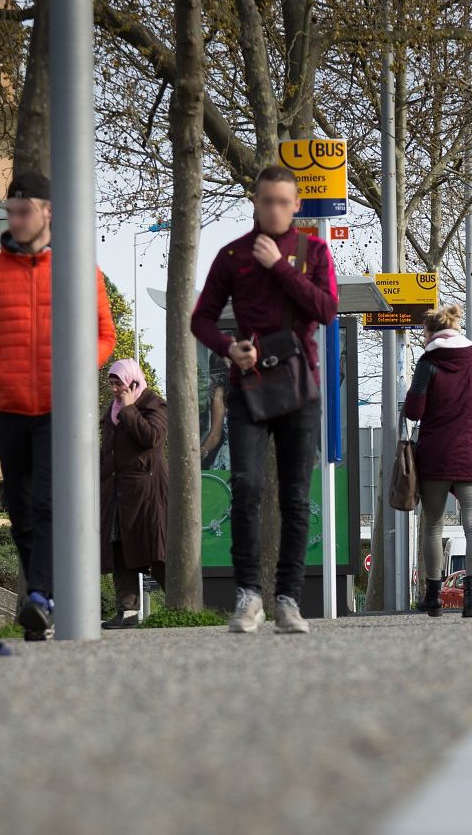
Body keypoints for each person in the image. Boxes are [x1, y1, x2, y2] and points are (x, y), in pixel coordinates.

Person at [0, 172, 116, 640]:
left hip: (58, 409)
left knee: (47, 502)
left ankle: (41, 597)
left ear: (48, 212)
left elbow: (104, 335)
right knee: (23, 510)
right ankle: (41, 603)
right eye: (11, 211)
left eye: (24, 211)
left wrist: (77, 370)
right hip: (8, 408)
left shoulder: (79, 270)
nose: (16, 219)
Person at [190, 165, 337, 634]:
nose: (274, 208)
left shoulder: (313, 251)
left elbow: (327, 309)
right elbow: (202, 319)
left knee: (295, 498)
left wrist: (279, 267)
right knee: (247, 488)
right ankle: (248, 596)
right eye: (266, 200)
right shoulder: (232, 255)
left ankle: (288, 600)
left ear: (296, 205)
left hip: (299, 386)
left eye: (282, 201)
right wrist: (228, 348)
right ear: (255, 202)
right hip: (248, 384)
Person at [404, 305, 472, 618]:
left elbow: (414, 411)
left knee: (433, 525)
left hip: (435, 454)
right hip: (471, 454)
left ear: (431, 332)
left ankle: (433, 597)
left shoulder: (428, 363)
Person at [100, 359, 168, 629]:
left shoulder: (153, 404)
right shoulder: (111, 411)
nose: (115, 389)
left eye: (120, 383)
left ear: (133, 381)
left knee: (155, 549)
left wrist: (130, 410)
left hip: (146, 492)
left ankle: (179, 604)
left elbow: (153, 438)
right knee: (119, 549)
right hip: (117, 493)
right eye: (112, 383)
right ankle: (127, 611)